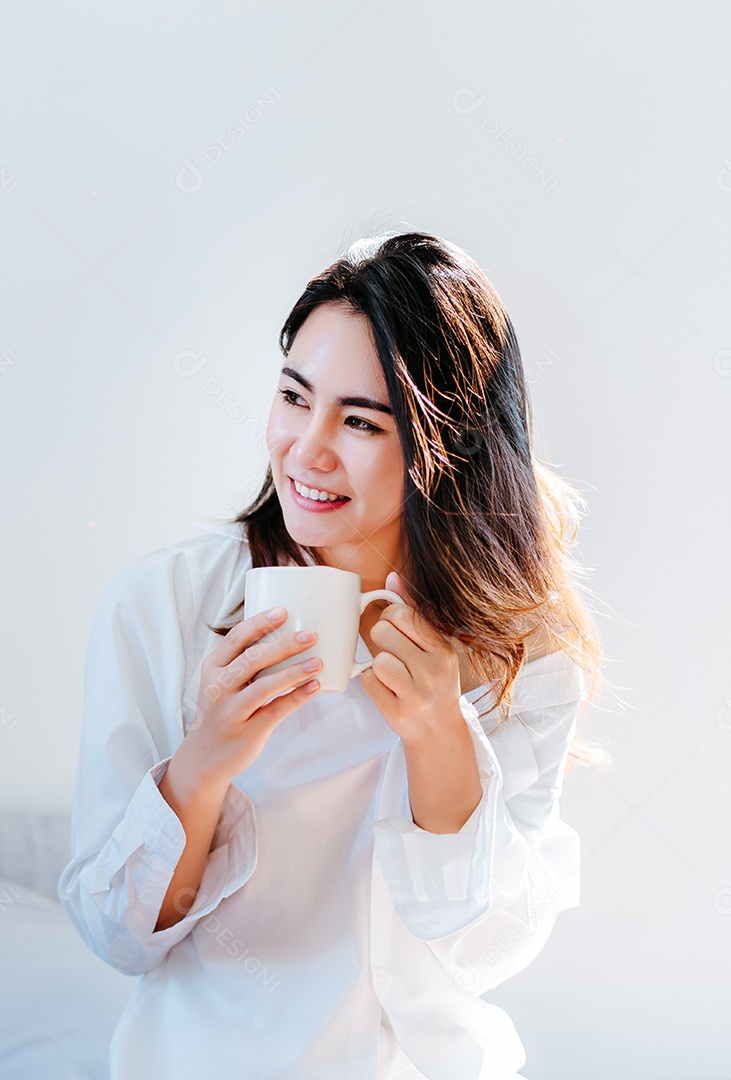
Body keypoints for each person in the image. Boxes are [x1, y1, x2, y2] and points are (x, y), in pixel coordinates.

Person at [58, 230, 605, 1080]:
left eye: (359, 421)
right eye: (292, 396)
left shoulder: (520, 648)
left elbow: (486, 954)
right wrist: (203, 765)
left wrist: (439, 740)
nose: (306, 449)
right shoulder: (158, 606)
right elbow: (115, 939)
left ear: (446, 449)